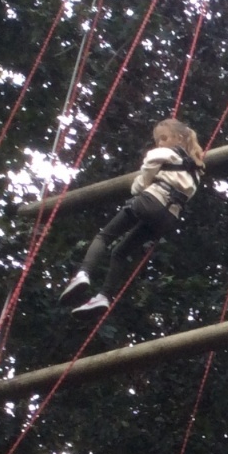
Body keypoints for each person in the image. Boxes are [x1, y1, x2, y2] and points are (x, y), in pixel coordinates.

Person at [60, 118, 206, 317]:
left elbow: (144, 176)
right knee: (120, 252)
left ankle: (83, 273)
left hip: (150, 201)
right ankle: (104, 296)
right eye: (157, 140)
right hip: (168, 217)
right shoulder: (196, 172)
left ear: (179, 138)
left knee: (104, 236)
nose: (160, 143)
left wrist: (138, 184)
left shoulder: (165, 153)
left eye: (163, 138)